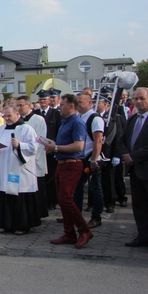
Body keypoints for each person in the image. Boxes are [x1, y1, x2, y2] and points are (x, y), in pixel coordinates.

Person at [43, 94, 91, 248]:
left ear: (71, 105)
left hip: (72, 164)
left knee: (66, 199)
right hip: (61, 163)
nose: (59, 107)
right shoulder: (65, 122)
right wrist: (54, 146)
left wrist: (56, 147)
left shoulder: (77, 122)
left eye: (62, 104)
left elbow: (79, 146)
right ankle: (69, 233)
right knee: (62, 199)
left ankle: (84, 230)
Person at [0, 105, 41, 234]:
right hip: (3, 168)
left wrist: (20, 145)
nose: (6, 118)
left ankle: (21, 225)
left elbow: (34, 147)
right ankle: (5, 223)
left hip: (19, 169)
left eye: (9, 116)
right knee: (4, 195)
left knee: (18, 195)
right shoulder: (0, 130)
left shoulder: (26, 129)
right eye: (4, 116)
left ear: (17, 114)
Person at [122, 87, 148, 247]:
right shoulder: (132, 119)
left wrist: (132, 157)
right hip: (135, 171)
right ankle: (143, 236)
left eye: (142, 98)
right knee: (139, 206)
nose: (138, 102)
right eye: (135, 99)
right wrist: (125, 154)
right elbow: (122, 139)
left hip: (145, 167)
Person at [74, 92, 105, 228]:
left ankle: (96, 217)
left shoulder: (95, 119)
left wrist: (93, 160)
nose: (77, 105)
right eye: (77, 102)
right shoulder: (79, 117)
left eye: (80, 102)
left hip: (91, 159)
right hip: (80, 158)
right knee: (77, 188)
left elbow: (98, 141)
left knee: (95, 189)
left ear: (89, 103)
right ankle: (76, 215)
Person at [16, 95, 49, 218]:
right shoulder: (17, 120)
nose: (19, 108)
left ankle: (39, 212)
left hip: (35, 158)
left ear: (29, 105)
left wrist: (28, 154)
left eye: (21, 105)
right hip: (20, 157)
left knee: (37, 186)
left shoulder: (38, 119)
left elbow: (40, 140)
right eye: (17, 106)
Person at [35, 90, 61, 210]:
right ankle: (41, 200)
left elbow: (58, 132)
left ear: (50, 100)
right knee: (39, 176)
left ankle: (52, 201)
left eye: (44, 99)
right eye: (40, 100)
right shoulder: (35, 114)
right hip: (37, 150)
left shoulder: (56, 114)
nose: (42, 102)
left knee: (51, 176)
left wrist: (55, 147)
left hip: (50, 150)